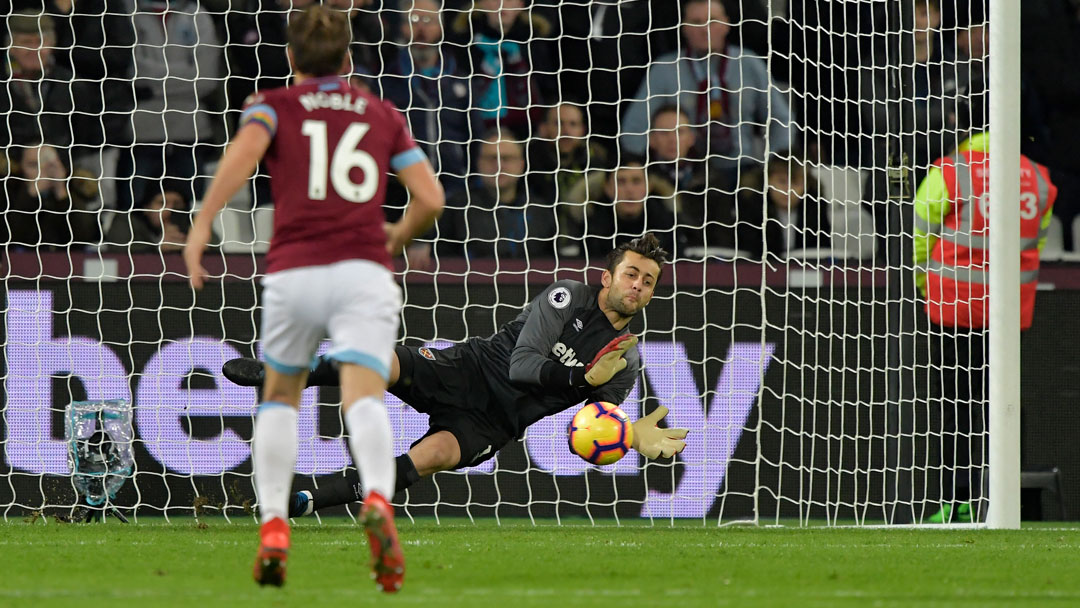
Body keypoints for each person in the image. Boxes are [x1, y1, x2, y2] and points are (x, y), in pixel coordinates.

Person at [183, 6, 445, 591]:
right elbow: (430, 197)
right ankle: (378, 499)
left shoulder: (270, 106)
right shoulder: (382, 114)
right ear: (349, 59)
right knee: (364, 391)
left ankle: (275, 526)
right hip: (362, 271)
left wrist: (202, 226)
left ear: (291, 57)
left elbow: (242, 159)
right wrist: (398, 235)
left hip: (296, 272)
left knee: (280, 393)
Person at [220, 234, 689, 517]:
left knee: (431, 456)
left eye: (648, 281)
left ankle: (305, 501)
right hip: (468, 370)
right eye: (631, 274)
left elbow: (585, 433)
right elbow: (522, 367)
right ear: (607, 278)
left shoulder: (624, 362)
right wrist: (583, 382)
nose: (637, 286)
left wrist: (627, 435)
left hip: (495, 423)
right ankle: (276, 374)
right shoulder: (567, 297)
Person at [913, 86, 1057, 524]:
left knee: (954, 407)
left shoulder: (951, 171)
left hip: (953, 309)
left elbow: (920, 235)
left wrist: (925, 283)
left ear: (964, 125)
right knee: (1006, 405)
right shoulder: (1037, 178)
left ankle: (954, 502)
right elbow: (1037, 242)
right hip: (1010, 314)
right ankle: (1010, 497)